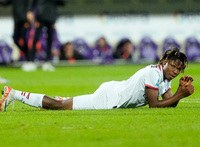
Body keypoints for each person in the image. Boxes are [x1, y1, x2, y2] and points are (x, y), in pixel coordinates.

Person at [0, 47, 195, 111]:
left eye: (179, 69)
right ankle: (13, 93)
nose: (176, 71)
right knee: (59, 106)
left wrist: (179, 91)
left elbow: (168, 105)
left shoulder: (165, 76)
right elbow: (154, 105)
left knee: (61, 102)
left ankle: (21, 95)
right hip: (109, 98)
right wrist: (180, 94)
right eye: (173, 66)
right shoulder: (154, 73)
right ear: (164, 62)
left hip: (114, 92)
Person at [25, 0, 65, 71]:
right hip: (40, 15)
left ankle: (47, 62)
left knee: (50, 39)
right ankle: (31, 61)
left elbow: (62, 3)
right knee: (35, 38)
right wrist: (29, 10)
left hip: (52, 16)